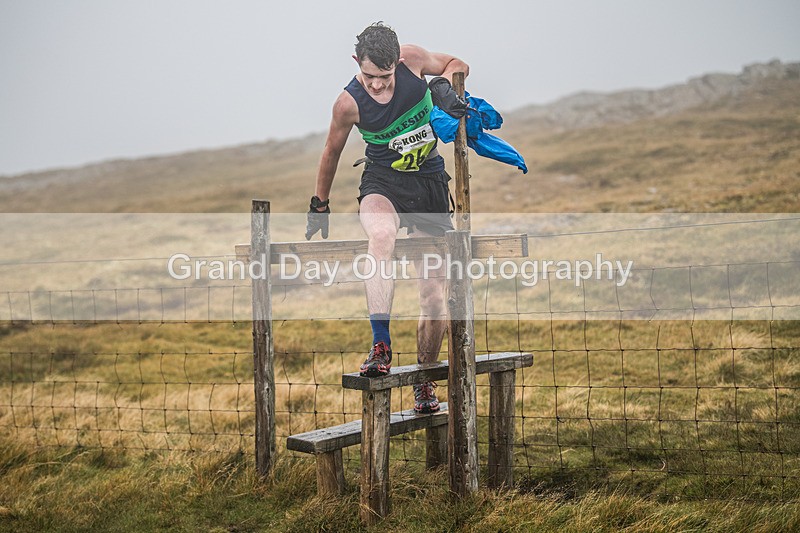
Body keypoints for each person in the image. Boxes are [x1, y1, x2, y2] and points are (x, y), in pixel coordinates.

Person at [305, 22, 469, 413]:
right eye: (368, 76)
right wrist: (319, 205)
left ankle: (425, 384)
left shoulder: (413, 61)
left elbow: (457, 63)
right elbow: (331, 152)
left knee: (433, 297)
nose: (376, 85)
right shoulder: (349, 103)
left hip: (429, 184)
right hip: (383, 183)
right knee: (380, 237)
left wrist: (442, 85)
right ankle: (381, 346)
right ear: (355, 63)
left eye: (384, 76)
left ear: (397, 61)